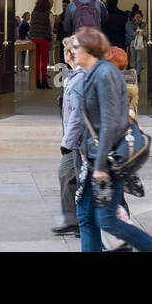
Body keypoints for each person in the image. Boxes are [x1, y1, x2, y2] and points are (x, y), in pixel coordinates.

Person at [72, 27, 152, 252]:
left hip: (106, 160)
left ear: (90, 48)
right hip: (93, 158)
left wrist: (99, 165)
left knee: (108, 221)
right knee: (86, 216)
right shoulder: (93, 73)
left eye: (77, 46)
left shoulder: (105, 73)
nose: (73, 51)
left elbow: (110, 122)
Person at [52, 36, 84, 236]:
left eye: (73, 50)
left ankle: (83, 222)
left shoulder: (81, 78)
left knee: (82, 181)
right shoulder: (73, 76)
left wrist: (67, 143)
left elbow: (77, 116)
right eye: (66, 51)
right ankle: (73, 219)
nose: (69, 54)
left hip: (78, 142)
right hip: (73, 140)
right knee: (66, 175)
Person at [28, 0, 54, 90]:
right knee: (43, 61)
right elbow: (51, 27)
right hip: (43, 38)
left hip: (34, 38)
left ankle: (37, 81)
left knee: (36, 61)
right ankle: (43, 82)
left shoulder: (33, 13)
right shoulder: (48, 14)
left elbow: (31, 25)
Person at [129, 11, 146, 76]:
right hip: (133, 44)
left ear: (142, 17)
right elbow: (129, 35)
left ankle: (138, 75)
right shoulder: (131, 24)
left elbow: (147, 36)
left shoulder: (144, 24)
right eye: (136, 17)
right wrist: (134, 34)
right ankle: (135, 74)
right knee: (135, 61)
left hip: (140, 44)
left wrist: (143, 34)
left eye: (139, 17)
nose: (137, 19)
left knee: (138, 60)